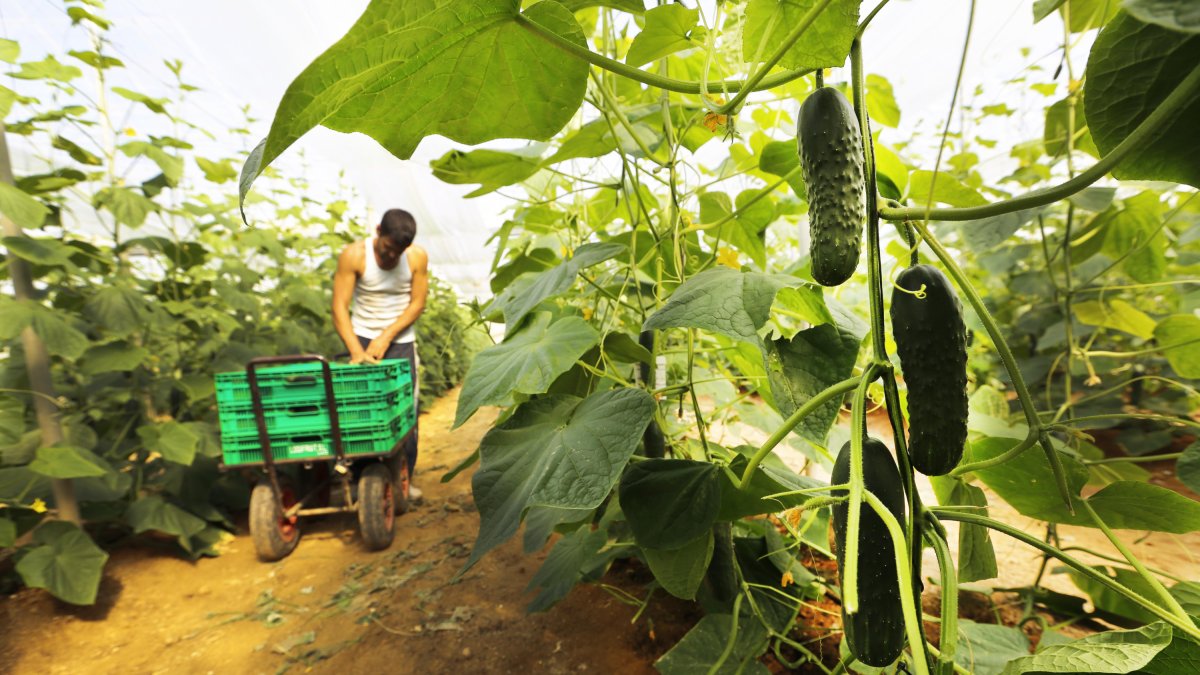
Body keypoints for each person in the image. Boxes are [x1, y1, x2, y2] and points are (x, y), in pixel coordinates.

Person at [332, 208, 428, 502]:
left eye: (397, 253)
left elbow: (417, 304)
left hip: (400, 341)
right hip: (360, 336)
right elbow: (339, 306)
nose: (390, 258)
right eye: (387, 250)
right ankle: (361, 483)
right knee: (359, 413)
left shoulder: (415, 258)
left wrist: (387, 336)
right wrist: (356, 351)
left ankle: (404, 481)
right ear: (377, 231)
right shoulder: (354, 255)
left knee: (404, 415)